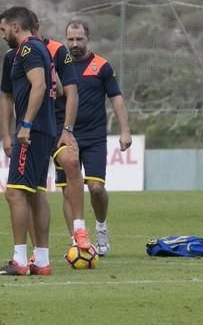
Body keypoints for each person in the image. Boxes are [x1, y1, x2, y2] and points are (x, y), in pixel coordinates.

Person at [0, 6, 56, 276]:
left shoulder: (29, 49)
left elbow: (40, 85)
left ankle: (20, 260)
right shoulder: (29, 50)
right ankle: (41, 261)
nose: (2, 35)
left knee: (15, 192)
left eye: (3, 29)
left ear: (15, 27)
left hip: (34, 130)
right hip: (44, 130)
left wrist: (26, 124)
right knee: (35, 193)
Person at [62, 19, 132, 256]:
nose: (74, 43)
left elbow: (117, 98)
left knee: (96, 188)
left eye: (79, 39)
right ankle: (77, 240)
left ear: (87, 39)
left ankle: (101, 227)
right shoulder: (59, 65)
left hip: (94, 137)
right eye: (70, 39)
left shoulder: (102, 66)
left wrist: (125, 130)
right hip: (65, 137)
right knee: (68, 191)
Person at [27, 12, 90, 251]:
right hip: (32, 129)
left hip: (57, 126)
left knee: (71, 162)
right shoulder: (15, 54)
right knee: (32, 189)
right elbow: (11, 96)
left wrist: (67, 129)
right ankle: (37, 252)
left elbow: (70, 92)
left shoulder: (57, 50)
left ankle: (79, 230)